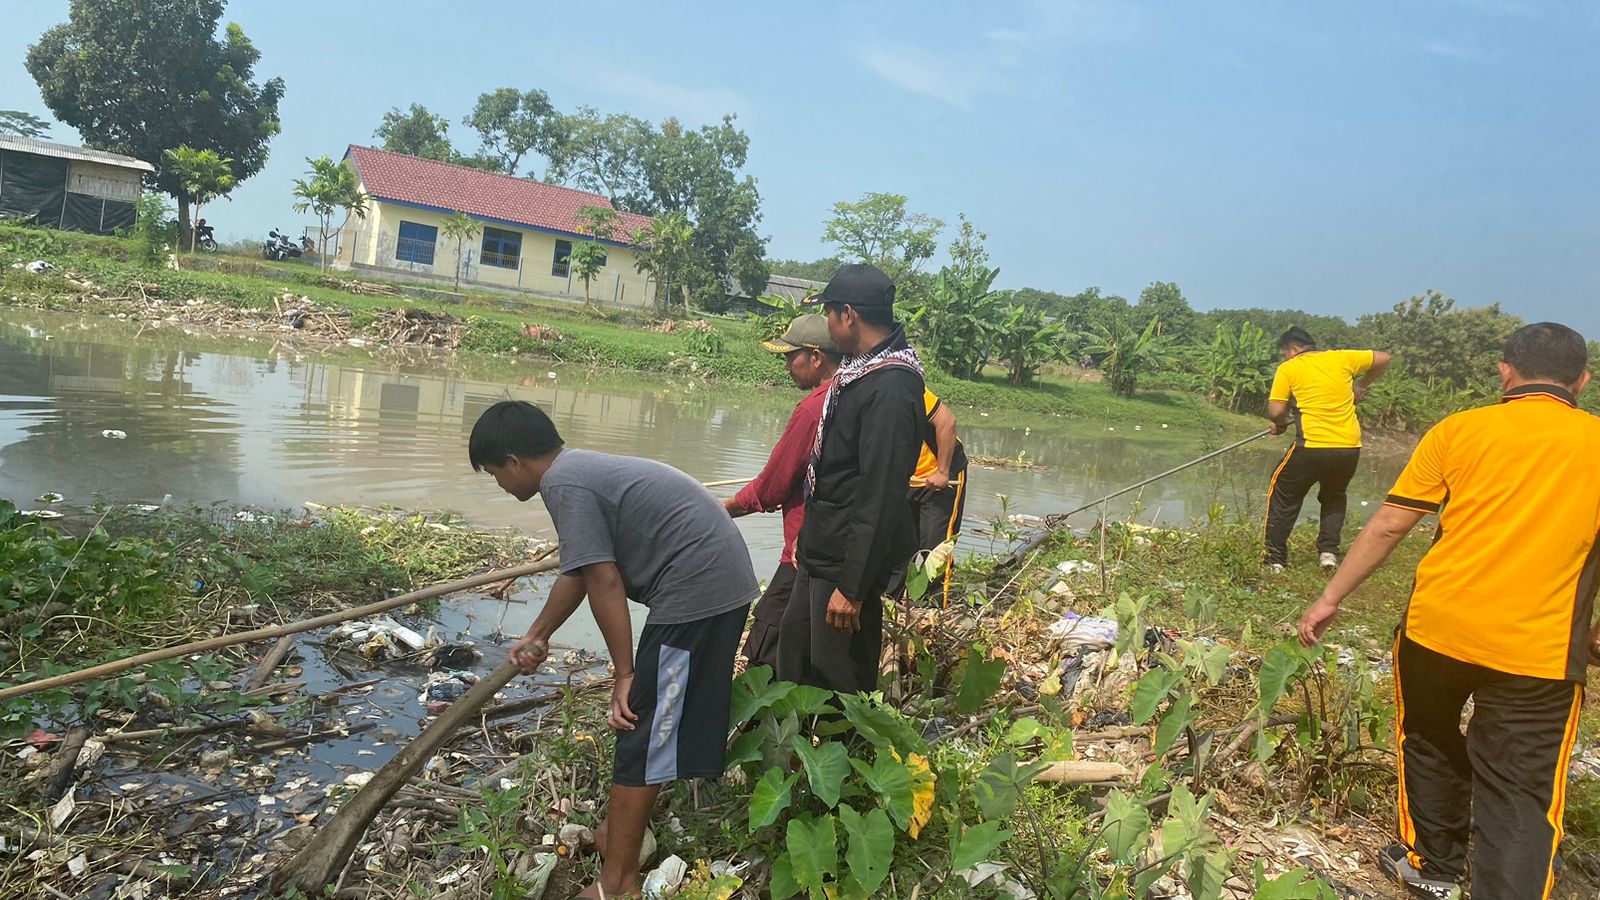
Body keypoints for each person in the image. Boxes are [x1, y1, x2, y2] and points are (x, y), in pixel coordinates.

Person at [1297, 323, 1600, 899]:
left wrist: (1330, 597)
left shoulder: (1459, 430)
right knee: (1521, 793)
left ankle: (1435, 868)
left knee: (1428, 737)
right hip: (1539, 651)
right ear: (1582, 381)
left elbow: (1390, 523)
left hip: (1436, 630)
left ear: (1505, 371)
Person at [469, 401, 759, 900]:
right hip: (716, 583)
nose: (499, 484)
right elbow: (580, 572)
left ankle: (616, 883)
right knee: (656, 725)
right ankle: (618, 839)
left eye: (494, 474)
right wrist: (537, 633)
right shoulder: (576, 471)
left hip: (697, 591)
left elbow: (604, 579)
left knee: (641, 728)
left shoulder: (565, 485)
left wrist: (624, 673)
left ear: (514, 461)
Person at [776, 263, 924, 694]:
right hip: (822, 552)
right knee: (795, 661)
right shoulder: (860, 374)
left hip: (845, 566)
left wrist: (853, 588)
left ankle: (846, 759)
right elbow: (834, 476)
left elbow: (880, 494)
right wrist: (808, 537)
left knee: (838, 680)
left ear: (847, 315)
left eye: (828, 314)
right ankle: (790, 760)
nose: (827, 324)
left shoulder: (892, 388)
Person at [724, 315, 841, 668]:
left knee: (765, 646)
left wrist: (721, 508)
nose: (788, 365)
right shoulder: (854, 394)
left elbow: (772, 487)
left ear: (816, 357)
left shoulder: (812, 409)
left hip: (803, 551)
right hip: (840, 551)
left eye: (793, 356)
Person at [1263, 327, 1390, 572]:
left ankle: (1275, 559)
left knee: (1283, 495)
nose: (1285, 358)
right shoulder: (1343, 358)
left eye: (1284, 353)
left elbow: (1276, 411)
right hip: (1348, 447)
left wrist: (1278, 424)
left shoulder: (1289, 368)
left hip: (1312, 444)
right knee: (1334, 497)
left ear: (1293, 349)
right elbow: (1383, 358)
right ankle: (1328, 552)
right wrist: (1359, 387)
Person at [885, 390, 970, 603]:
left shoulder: (907, 389)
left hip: (940, 476)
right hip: (907, 478)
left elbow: (947, 422)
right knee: (898, 543)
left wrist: (942, 471)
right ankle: (890, 602)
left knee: (934, 545)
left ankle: (933, 607)